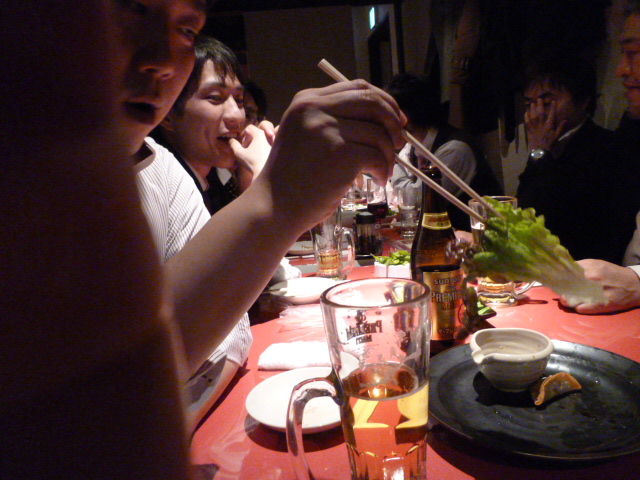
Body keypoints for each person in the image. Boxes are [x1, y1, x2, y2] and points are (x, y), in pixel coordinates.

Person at [3, 1, 407, 477]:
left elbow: (228, 337)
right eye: (132, 11)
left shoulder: (161, 168)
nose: (163, 59)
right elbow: (92, 408)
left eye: (186, 29)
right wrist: (278, 196)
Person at [150, 35, 299, 417]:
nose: (237, 116)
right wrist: (268, 186)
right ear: (168, 113)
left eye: (239, 99)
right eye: (215, 98)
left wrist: (251, 186)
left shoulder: (213, 182)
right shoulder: (159, 177)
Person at [560, 5, 640, 314]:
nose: (621, 69)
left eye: (633, 53)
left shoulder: (601, 143)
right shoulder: (631, 132)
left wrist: (635, 282)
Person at [516, 55, 617, 262]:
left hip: (583, 266)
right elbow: (522, 210)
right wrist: (539, 151)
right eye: (529, 104)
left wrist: (540, 150)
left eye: (547, 102)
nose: (536, 113)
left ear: (583, 101)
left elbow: (546, 218)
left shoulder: (606, 147)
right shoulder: (545, 146)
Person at [385, 72, 502, 229]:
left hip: (478, 238)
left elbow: (416, 200)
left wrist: (392, 159)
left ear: (405, 115)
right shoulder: (413, 145)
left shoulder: (455, 150)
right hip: (443, 235)